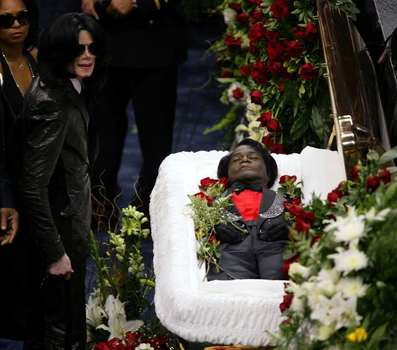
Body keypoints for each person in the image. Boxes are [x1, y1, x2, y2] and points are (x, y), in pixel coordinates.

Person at [18, 13, 106, 350]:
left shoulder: (73, 87)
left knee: (67, 323)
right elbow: (32, 185)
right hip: (56, 229)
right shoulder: (51, 103)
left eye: (91, 48)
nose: (87, 56)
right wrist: (55, 253)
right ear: (59, 52)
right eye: (78, 49)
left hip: (69, 222)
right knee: (57, 328)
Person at [82, 0, 188, 223]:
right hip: (103, 35)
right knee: (101, 128)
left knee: (155, 134)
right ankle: (101, 197)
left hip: (154, 36)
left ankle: (150, 203)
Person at [0, 0, 38, 346]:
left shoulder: (40, 61)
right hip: (5, 183)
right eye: (6, 19)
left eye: (22, 17)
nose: (16, 25)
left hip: (41, 184)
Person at [207, 138, 289, 281]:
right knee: (230, 293)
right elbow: (196, 230)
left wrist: (288, 228)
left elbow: (303, 224)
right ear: (226, 174)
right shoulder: (217, 201)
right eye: (236, 159)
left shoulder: (282, 198)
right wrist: (214, 228)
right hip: (231, 254)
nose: (244, 160)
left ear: (268, 172)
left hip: (274, 251)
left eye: (253, 157)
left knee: (279, 288)